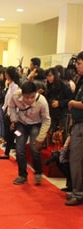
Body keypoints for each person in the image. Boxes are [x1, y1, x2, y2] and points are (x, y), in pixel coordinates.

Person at [8, 81, 51, 185]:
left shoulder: (42, 101)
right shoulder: (15, 96)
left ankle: (38, 172)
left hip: (35, 125)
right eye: (26, 97)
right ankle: (22, 175)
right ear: (22, 94)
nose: (29, 100)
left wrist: (41, 137)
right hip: (21, 125)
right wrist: (13, 120)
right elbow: (11, 106)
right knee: (19, 149)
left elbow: (46, 120)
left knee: (34, 149)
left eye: (32, 97)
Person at [66, 51, 83, 206]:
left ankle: (78, 193)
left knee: (76, 159)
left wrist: (72, 103)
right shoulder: (80, 80)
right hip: (77, 124)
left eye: (79, 63)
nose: (76, 66)